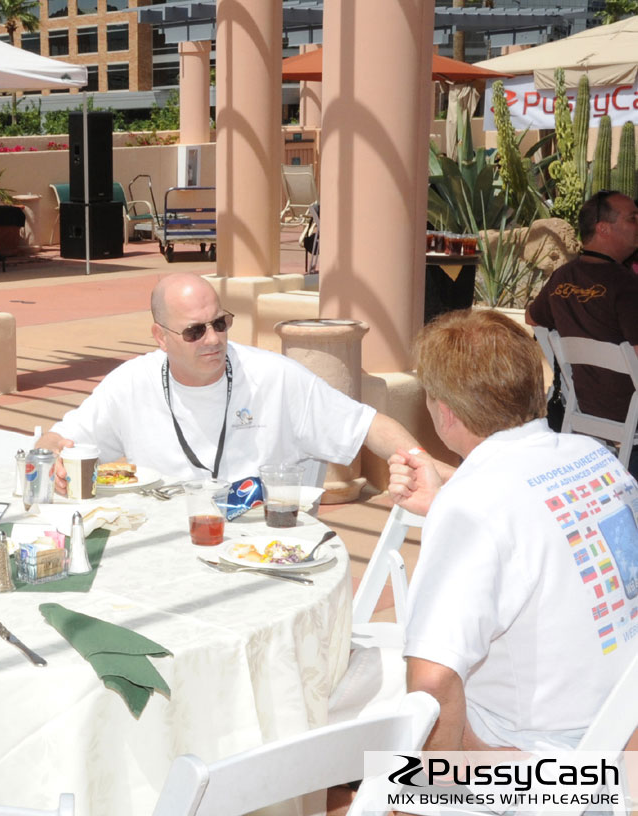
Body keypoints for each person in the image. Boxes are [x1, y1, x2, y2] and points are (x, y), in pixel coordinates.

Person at [389, 310, 637, 752]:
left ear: (445, 413)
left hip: (536, 756)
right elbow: (541, 524)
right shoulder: (595, 456)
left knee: (356, 726)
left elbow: (433, 678)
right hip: (620, 726)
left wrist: (427, 792)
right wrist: (446, 502)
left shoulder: (474, 504)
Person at [35, 273, 442, 488]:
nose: (213, 340)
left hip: (263, 549)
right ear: (160, 337)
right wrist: (49, 452)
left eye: (220, 323)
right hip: (165, 547)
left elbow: (370, 426)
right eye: (195, 331)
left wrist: (428, 467)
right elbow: (62, 439)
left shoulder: (275, 378)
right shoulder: (129, 384)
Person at [527, 189, 638, 471]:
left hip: (585, 402)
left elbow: (532, 317)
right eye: (633, 218)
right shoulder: (625, 285)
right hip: (627, 407)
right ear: (603, 228)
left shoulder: (562, 276)